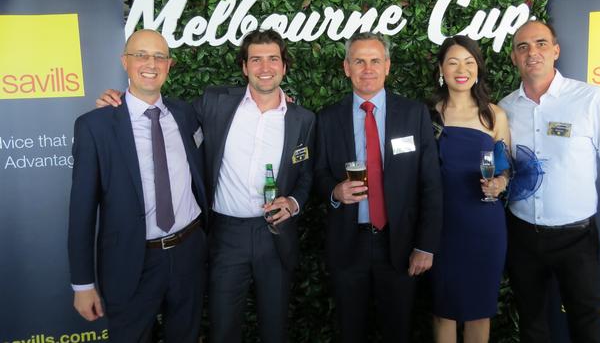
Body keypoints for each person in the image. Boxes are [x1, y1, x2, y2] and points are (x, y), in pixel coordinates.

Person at [97, 28, 315, 343]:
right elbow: (162, 109)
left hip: (276, 236)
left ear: (284, 66)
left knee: (275, 328)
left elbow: (306, 174)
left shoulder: (303, 119)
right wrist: (119, 100)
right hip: (225, 235)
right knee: (222, 328)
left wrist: (294, 203)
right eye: (256, 59)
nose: (264, 68)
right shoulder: (215, 103)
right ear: (244, 67)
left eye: (273, 59)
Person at [499, 20, 600, 343]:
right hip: (522, 235)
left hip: (576, 239)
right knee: (532, 326)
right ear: (514, 58)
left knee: (585, 325)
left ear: (556, 50)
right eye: (523, 47)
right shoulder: (504, 109)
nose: (532, 52)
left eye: (541, 43)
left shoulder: (591, 98)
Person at [68, 29, 208, 342]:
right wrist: (82, 283)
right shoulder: (96, 126)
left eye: (159, 56)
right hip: (131, 261)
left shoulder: (185, 115)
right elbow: (81, 212)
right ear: (125, 62)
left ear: (170, 65)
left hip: (188, 253)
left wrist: (277, 96)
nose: (151, 63)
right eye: (141, 55)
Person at [314, 32, 443, 342]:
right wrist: (334, 191)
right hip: (348, 243)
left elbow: (431, 183)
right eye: (359, 61)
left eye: (375, 61)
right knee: (350, 330)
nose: (367, 68)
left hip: (399, 244)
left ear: (387, 66)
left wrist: (425, 246)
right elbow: (317, 173)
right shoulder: (328, 118)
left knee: (398, 329)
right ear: (346, 67)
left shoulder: (413, 114)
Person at [429, 35, 510, 343]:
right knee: (443, 311)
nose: (461, 69)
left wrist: (499, 183)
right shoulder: (428, 114)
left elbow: (505, 167)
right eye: (452, 62)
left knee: (479, 311)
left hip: (483, 226)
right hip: (440, 226)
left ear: (478, 68)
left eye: (469, 61)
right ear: (441, 69)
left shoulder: (494, 114)